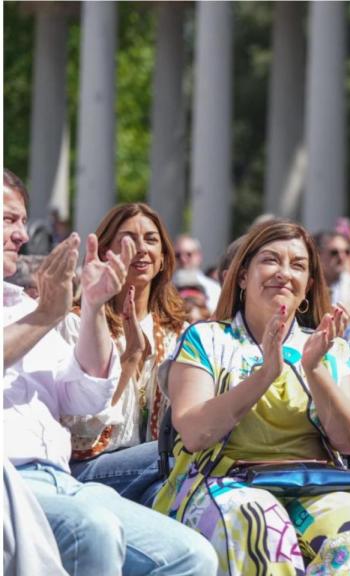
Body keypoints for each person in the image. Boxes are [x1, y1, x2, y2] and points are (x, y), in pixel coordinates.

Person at [3, 169, 217, 575]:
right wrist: (121, 350)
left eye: (151, 240)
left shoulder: (29, 308)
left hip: (63, 480)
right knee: (100, 523)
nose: (22, 234)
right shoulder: (46, 313)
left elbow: (85, 395)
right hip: (23, 478)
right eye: (9, 219)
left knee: (194, 556)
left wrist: (94, 305)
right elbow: (89, 430)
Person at [154, 219, 350, 575]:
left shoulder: (331, 348)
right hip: (224, 481)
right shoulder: (206, 339)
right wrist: (265, 375)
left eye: (297, 265)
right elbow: (194, 432)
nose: (284, 273)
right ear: (243, 276)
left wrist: (315, 369)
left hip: (315, 484)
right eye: (270, 260)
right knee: (259, 523)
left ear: (309, 285)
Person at [61, 203, 188, 506]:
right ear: (107, 253)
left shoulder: (177, 332)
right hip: (88, 468)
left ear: (163, 258)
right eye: (129, 239)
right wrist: (130, 358)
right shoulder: (77, 324)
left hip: (155, 473)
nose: (142, 249)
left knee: (175, 498)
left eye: (151, 240)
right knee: (181, 455)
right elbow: (79, 429)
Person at [174, 234, 221, 311]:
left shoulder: (214, 290)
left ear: (199, 256)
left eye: (189, 254)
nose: (183, 259)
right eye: (177, 255)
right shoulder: (163, 288)